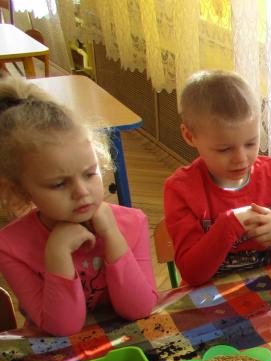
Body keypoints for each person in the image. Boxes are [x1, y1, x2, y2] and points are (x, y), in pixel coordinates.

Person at [0, 77, 157, 337]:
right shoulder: (10, 247)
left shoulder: (133, 222)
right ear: (20, 190)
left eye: (89, 173)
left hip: (126, 340)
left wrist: (112, 236)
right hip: (58, 351)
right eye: (59, 184)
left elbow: (140, 309)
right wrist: (58, 253)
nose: (82, 192)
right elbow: (63, 327)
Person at [164, 70, 271, 287]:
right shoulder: (180, 189)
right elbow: (193, 273)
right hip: (211, 296)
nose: (241, 159)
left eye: (251, 143)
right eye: (224, 149)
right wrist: (228, 225)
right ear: (189, 136)